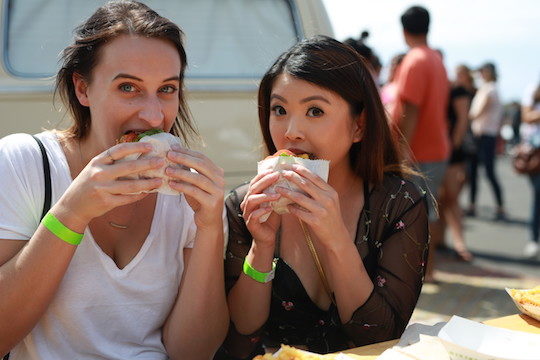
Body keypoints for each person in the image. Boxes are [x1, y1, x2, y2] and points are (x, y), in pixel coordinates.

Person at [0, 2, 228, 359]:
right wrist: (72, 214)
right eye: (128, 88)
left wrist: (210, 228)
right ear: (83, 89)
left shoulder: (187, 191)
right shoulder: (26, 163)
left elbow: (191, 352)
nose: (154, 115)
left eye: (167, 89)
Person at [216, 36, 429, 359]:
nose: (291, 131)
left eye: (315, 111)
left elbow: (381, 335)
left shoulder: (398, 203)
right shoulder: (244, 205)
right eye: (279, 109)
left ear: (359, 125)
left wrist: (335, 238)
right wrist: (261, 247)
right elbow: (241, 334)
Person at [391, 6, 449, 282]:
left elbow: (410, 110)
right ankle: (431, 269)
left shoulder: (414, 61)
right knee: (430, 211)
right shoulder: (436, 58)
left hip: (419, 151)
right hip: (436, 147)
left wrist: (402, 151)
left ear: (404, 31)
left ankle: (427, 271)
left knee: (419, 213)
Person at [438, 65, 476, 262]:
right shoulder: (440, 88)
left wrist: (453, 148)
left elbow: (462, 121)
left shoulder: (456, 90)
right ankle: (441, 240)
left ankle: (459, 243)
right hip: (441, 149)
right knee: (442, 198)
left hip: (451, 152)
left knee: (451, 197)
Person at [466, 62, 506, 219]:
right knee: (475, 172)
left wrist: (463, 116)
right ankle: (474, 205)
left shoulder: (489, 89)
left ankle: (499, 206)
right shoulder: (491, 89)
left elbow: (476, 113)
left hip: (484, 135)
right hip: (484, 135)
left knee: (487, 172)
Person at [520, 81, 540, 258]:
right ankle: (534, 239)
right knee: (538, 196)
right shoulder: (533, 90)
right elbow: (526, 116)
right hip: (536, 153)